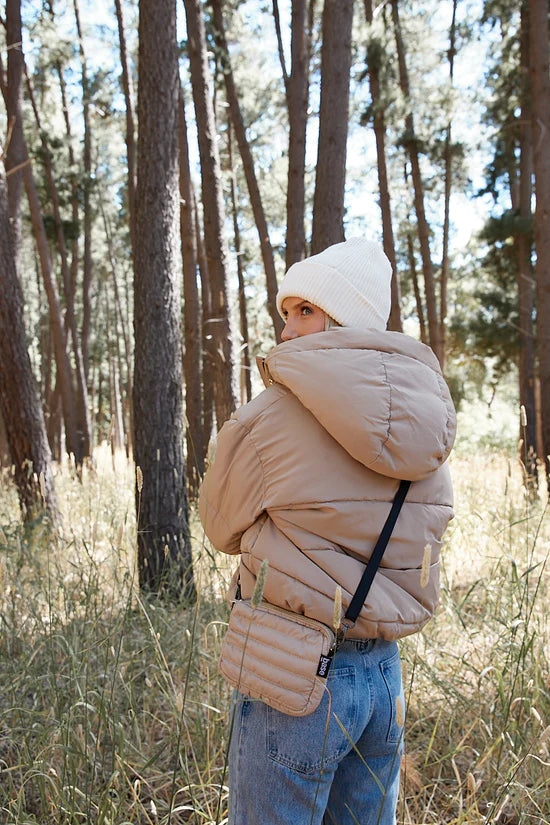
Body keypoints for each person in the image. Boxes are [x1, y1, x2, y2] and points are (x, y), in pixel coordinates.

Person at [199, 237, 456, 825]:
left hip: (294, 672)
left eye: (306, 310)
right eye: (286, 311)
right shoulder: (431, 422)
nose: (287, 330)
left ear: (344, 318)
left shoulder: (271, 415)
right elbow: (428, 534)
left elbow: (219, 526)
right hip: (384, 676)